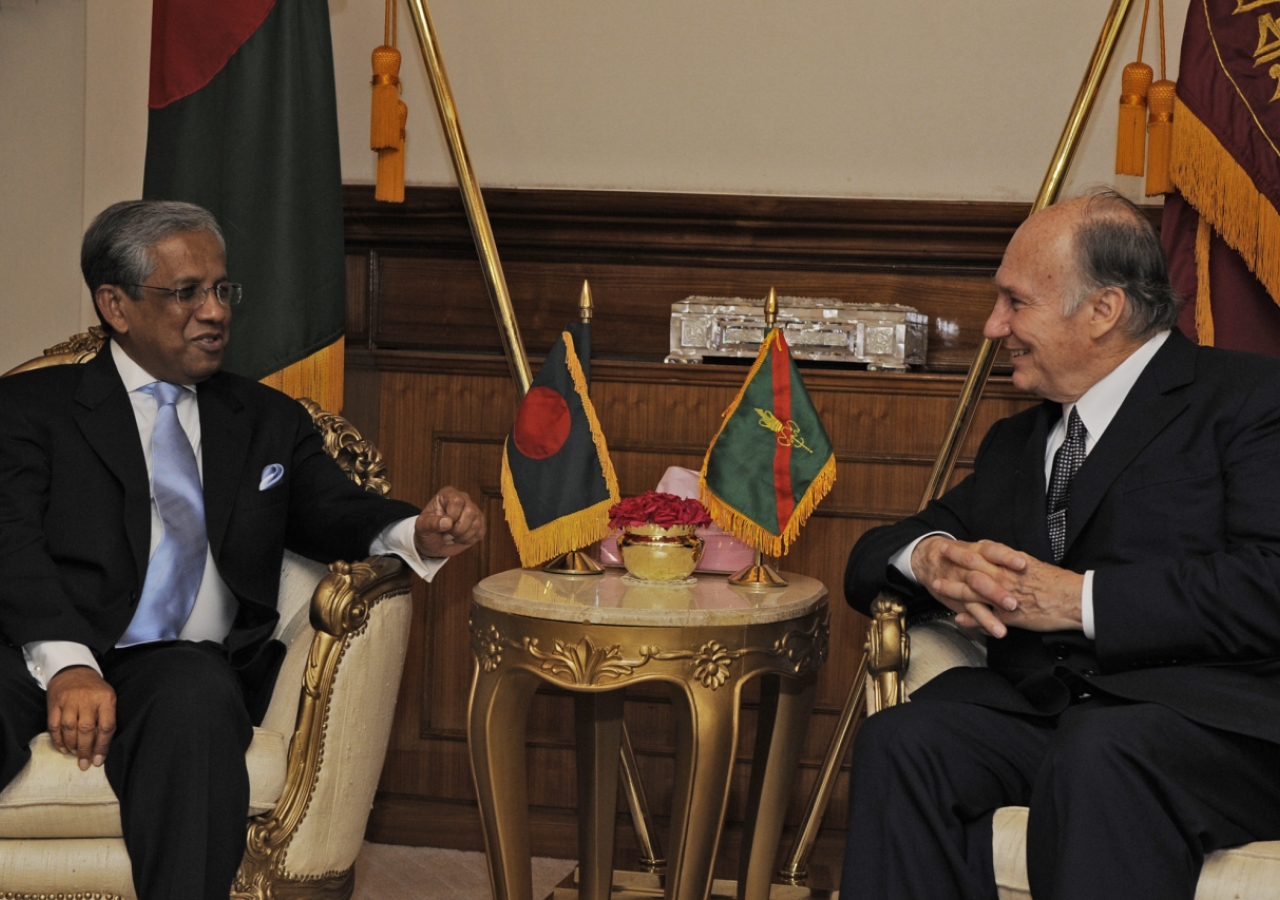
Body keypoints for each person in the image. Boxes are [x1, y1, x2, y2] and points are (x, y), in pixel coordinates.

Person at [0, 200, 485, 900]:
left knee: (195, 703)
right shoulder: (28, 410)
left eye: (223, 289)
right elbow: (10, 542)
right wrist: (70, 668)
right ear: (116, 304)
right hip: (38, 646)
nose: (216, 311)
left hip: (177, 660)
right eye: (186, 292)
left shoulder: (265, 419)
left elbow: (332, 510)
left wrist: (417, 532)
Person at [840, 190, 1280, 900]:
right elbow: (873, 555)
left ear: (1102, 311)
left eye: (1015, 303)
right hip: (1050, 716)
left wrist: (1081, 601)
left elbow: (1272, 583)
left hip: (1218, 730)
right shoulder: (1018, 441)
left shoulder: (1250, 401)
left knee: (1100, 751)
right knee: (905, 741)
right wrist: (931, 560)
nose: (993, 327)